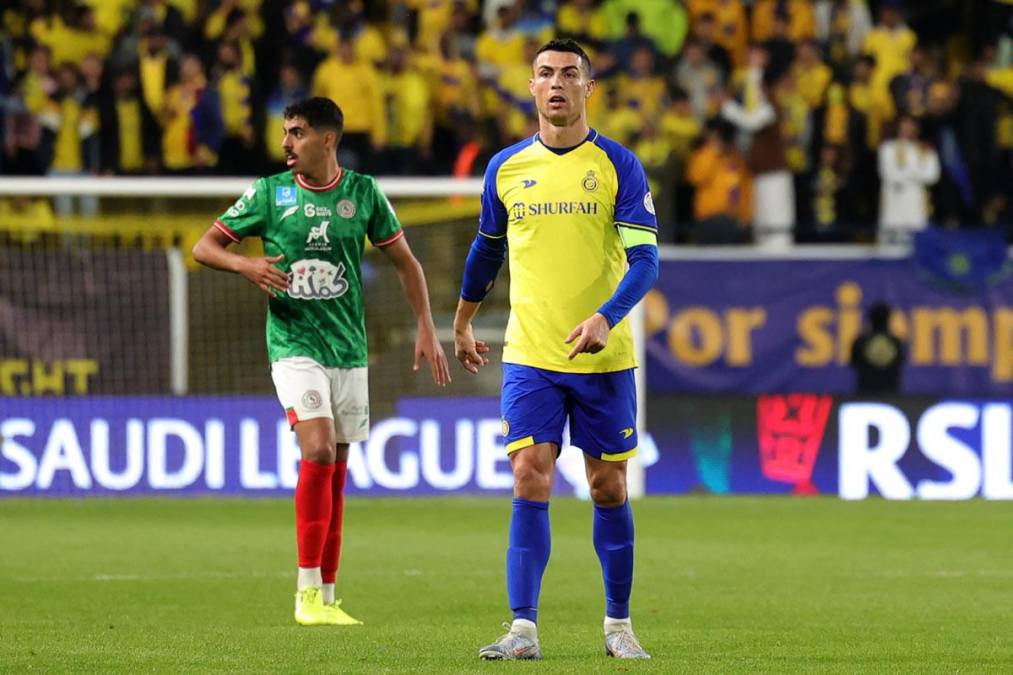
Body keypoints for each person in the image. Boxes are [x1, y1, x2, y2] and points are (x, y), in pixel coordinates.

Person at [192, 97, 451, 626]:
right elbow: (204, 246)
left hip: (348, 348)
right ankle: (306, 592)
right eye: (285, 132)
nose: (286, 142)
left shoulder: (363, 193)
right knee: (316, 447)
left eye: (297, 132)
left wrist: (427, 325)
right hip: (293, 344)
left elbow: (406, 263)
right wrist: (246, 265)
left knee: (335, 467)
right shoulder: (269, 194)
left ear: (328, 139)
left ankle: (328, 596)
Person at [453, 39, 657, 661]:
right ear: (532, 88)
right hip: (531, 353)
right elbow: (486, 251)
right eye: (545, 74)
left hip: (602, 355)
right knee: (528, 473)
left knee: (607, 488)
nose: (557, 83)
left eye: (570, 73)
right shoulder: (506, 168)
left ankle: (618, 625)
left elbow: (646, 260)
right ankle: (522, 630)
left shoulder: (619, 165)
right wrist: (462, 322)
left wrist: (605, 316)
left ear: (589, 88)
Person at [850, 302, 904, 394]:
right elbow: (900, 362)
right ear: (888, 319)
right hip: (891, 394)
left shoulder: (860, 342)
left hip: (866, 393)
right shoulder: (896, 343)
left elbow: (853, 363)